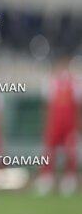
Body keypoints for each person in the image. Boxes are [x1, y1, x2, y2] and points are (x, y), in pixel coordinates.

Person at [36, 58, 79, 196]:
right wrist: (47, 125)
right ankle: (47, 178)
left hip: (69, 124)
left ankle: (69, 179)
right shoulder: (51, 83)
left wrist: (77, 127)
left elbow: (78, 108)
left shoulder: (75, 83)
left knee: (70, 151)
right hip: (55, 124)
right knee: (49, 151)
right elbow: (46, 106)